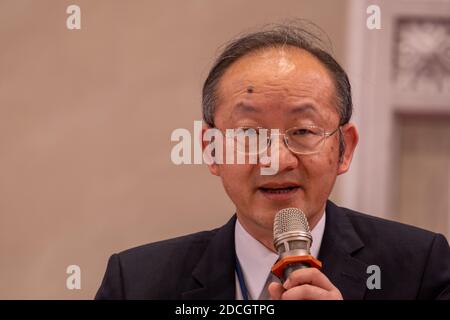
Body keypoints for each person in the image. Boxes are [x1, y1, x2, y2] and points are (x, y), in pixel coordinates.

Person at [95, 22, 450, 300]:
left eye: (303, 131)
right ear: (211, 149)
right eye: (249, 135)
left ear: (345, 148)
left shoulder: (420, 267)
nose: (277, 160)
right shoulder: (137, 282)